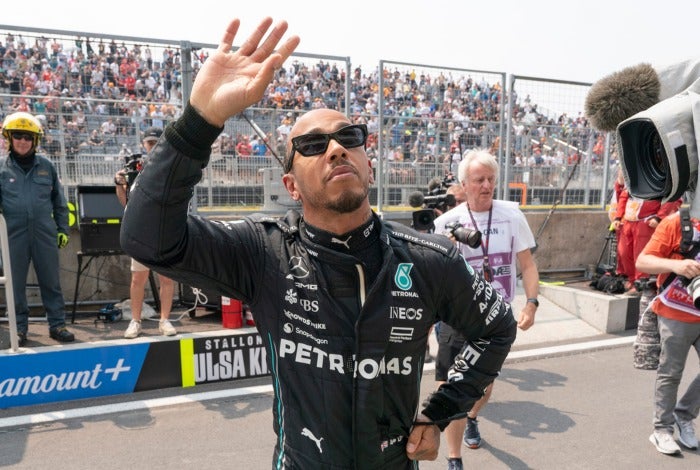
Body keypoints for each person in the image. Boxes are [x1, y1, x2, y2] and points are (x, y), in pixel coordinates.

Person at [120, 18, 517, 468]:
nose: (335, 149)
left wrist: (442, 410)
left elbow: (497, 327)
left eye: (349, 137)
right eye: (312, 145)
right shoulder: (263, 253)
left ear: (369, 165)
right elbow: (146, 240)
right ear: (290, 186)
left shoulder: (429, 258)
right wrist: (199, 121)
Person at [432, 149, 539, 470]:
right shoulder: (446, 223)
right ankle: (454, 457)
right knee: (451, 386)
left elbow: (527, 265)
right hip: (457, 317)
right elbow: (432, 276)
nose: (487, 185)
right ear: (464, 184)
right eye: (479, 180)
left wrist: (531, 303)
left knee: (484, 386)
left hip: (496, 318)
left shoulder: (512, 216)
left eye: (491, 179)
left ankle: (473, 416)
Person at [0, 111, 75, 346]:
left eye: (28, 137)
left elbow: (59, 202)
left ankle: (57, 325)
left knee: (51, 281)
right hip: (12, 236)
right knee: (15, 285)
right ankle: (19, 329)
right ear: (9, 138)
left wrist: (63, 229)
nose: (23, 141)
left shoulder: (47, 167)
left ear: (35, 140)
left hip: (44, 234)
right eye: (18, 136)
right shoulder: (1, 168)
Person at [636, 211, 700, 456]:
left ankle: (684, 415)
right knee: (671, 373)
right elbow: (643, 261)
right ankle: (661, 429)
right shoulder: (676, 222)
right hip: (676, 311)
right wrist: (677, 265)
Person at [114, 126, 176, 338]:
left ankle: (165, 320)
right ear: (144, 144)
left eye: (155, 142)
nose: (152, 146)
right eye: (149, 143)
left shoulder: (169, 165)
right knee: (137, 279)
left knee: (166, 278)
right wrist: (119, 183)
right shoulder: (136, 168)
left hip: (163, 231)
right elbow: (126, 203)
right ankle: (135, 321)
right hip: (141, 233)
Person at [611, 179, 682, 293]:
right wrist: (618, 217)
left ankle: (641, 284)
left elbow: (673, 197)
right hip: (628, 220)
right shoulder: (635, 175)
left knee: (640, 254)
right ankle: (632, 279)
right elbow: (624, 196)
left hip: (646, 222)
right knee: (624, 252)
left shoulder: (663, 177)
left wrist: (659, 217)